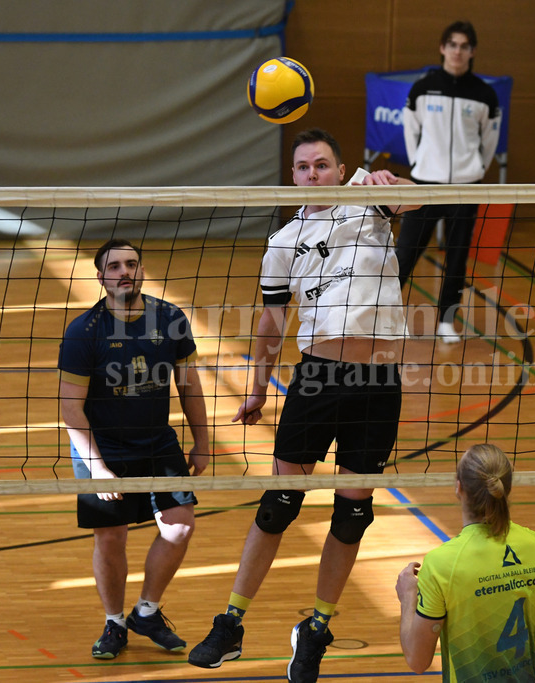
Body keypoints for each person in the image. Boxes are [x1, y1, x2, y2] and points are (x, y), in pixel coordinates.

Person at [187, 128, 417, 682]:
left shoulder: (368, 199)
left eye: (322, 165)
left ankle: (315, 628)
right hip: (316, 378)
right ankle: (231, 622)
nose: (314, 174)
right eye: (304, 168)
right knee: (279, 504)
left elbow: (416, 197)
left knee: (353, 512)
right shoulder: (284, 241)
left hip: (378, 381)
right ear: (293, 177)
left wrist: (395, 181)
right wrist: (259, 385)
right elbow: (270, 322)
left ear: (342, 170)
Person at [58, 238, 210, 659]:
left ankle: (146, 610)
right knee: (111, 539)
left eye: (132, 264)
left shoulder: (171, 318)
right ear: (101, 277)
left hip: (157, 441)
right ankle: (114, 622)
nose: (125, 271)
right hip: (103, 446)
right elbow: (71, 408)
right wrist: (98, 468)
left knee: (179, 527)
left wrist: (203, 441)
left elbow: (189, 385)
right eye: (115, 266)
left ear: (142, 270)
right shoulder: (84, 332)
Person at [396, 444, 535, 681]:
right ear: (506, 488)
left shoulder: (441, 564)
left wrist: (408, 596)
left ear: (459, 487)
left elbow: (417, 661)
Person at [398, 20, 502, 343]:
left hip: (465, 188)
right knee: (404, 255)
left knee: (457, 256)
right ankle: (386, 317)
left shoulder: (485, 95)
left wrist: (476, 168)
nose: (458, 51)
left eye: (464, 45)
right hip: (424, 186)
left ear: (472, 52)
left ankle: (446, 321)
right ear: (443, 48)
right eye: (452, 44)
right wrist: (418, 164)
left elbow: (490, 139)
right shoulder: (422, 88)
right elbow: (410, 129)